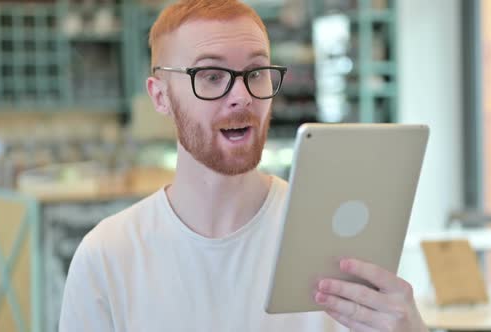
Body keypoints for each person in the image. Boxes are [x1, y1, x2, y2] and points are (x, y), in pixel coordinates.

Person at [59, 0, 428, 331]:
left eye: (256, 73)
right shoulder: (107, 256)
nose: (243, 97)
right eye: (212, 76)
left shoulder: (335, 244)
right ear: (160, 96)